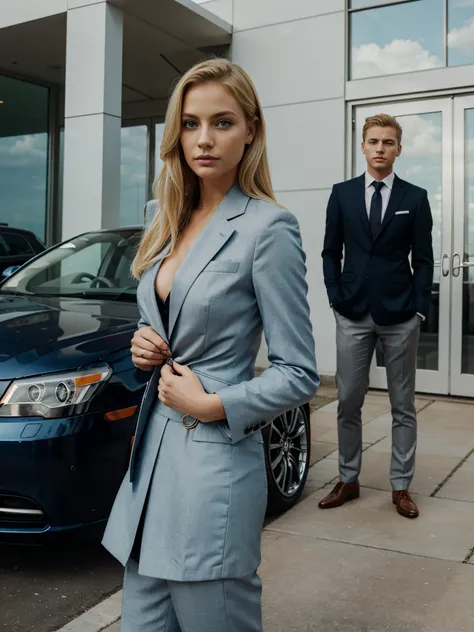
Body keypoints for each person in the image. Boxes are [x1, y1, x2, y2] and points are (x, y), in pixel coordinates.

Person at [102, 58, 319, 632]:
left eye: (222, 122)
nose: (204, 139)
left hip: (212, 467)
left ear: (251, 128)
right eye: (191, 123)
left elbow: (299, 371)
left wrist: (211, 405)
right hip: (150, 466)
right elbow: (169, 318)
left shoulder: (268, 228)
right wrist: (146, 345)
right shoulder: (165, 217)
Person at [319, 113, 433, 519]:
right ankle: (348, 479)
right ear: (363, 146)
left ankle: (401, 486)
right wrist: (335, 297)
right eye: (374, 141)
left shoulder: (415, 198)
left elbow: (423, 259)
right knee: (348, 400)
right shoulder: (343, 194)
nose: (380, 148)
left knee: (403, 404)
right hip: (352, 313)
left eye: (388, 142)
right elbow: (331, 252)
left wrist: (419, 307)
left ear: (398, 149)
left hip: (400, 313)